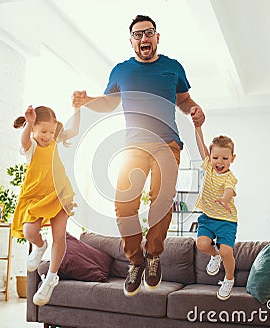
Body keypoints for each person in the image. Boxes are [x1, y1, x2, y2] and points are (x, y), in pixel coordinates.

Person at [72, 14, 205, 297]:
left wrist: (194, 109)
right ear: (132, 41)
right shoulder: (121, 71)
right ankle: (136, 261)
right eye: (138, 34)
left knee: (162, 198)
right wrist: (87, 102)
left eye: (149, 33)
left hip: (166, 144)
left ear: (157, 37)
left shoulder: (173, 68)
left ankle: (154, 255)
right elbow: (108, 103)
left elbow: (184, 100)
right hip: (132, 146)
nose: (144, 38)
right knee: (124, 206)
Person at [12, 105, 80, 306]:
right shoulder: (31, 147)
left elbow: (74, 131)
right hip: (35, 197)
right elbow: (24, 139)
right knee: (29, 232)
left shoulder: (56, 143)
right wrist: (30, 123)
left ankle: (51, 279)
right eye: (43, 131)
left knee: (59, 236)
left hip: (59, 194)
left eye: (51, 132)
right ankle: (41, 246)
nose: (47, 136)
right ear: (33, 129)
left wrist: (78, 110)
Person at [192, 117, 238, 301]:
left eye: (225, 158)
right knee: (202, 244)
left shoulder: (230, 177)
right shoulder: (209, 168)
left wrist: (225, 200)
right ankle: (215, 256)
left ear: (232, 159)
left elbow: (229, 190)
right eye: (215, 157)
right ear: (210, 158)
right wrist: (197, 127)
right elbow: (200, 144)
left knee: (227, 251)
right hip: (208, 217)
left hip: (226, 220)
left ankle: (229, 279)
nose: (219, 162)